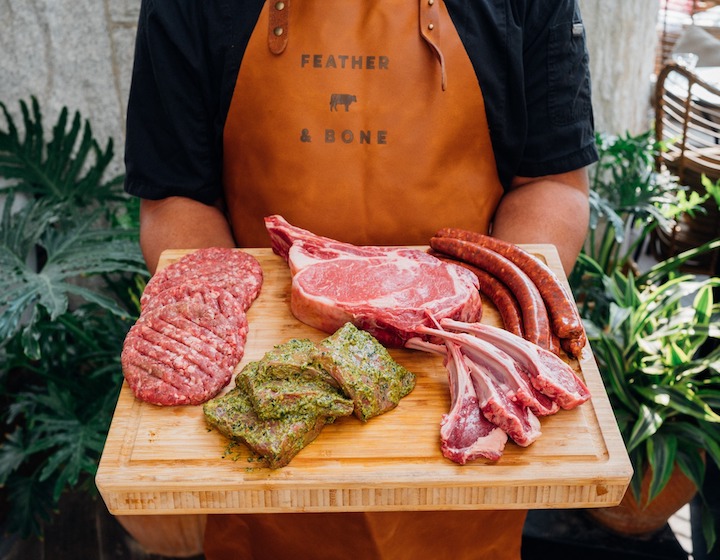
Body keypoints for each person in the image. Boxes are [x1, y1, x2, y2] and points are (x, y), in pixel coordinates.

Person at [123, 1, 597, 558]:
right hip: (271, 395)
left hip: (459, 384)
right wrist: (224, 342)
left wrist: (489, 342)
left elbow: (552, 182)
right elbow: (177, 194)